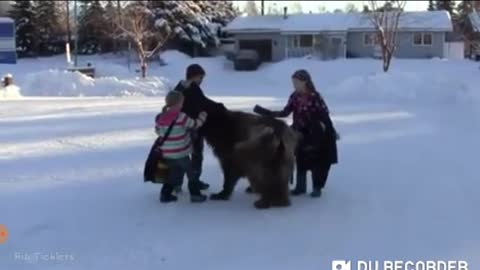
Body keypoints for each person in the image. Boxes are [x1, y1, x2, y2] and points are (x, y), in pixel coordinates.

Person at [253, 69, 339, 198]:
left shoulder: (315, 97)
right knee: (301, 158)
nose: (294, 85)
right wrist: (266, 112)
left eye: (296, 82)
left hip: (314, 133)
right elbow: (285, 113)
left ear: (305, 82)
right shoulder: (294, 96)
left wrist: (330, 131)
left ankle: (317, 187)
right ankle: (300, 187)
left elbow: (324, 116)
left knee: (317, 160)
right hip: (299, 131)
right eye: (293, 82)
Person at [173, 64, 226, 192]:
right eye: (201, 77)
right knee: (196, 155)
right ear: (195, 76)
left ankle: (176, 184)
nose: (202, 80)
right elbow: (204, 103)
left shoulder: (179, 87)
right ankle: (194, 182)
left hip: (179, 128)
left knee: (180, 155)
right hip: (193, 127)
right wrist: (220, 107)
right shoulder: (193, 88)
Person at [155, 90, 209, 203]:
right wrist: (202, 116)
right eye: (182, 102)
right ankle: (195, 195)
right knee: (192, 174)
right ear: (178, 103)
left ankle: (165, 195)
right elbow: (195, 124)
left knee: (171, 175)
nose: (182, 104)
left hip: (167, 154)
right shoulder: (181, 117)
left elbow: (158, 132)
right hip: (181, 153)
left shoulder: (161, 117)